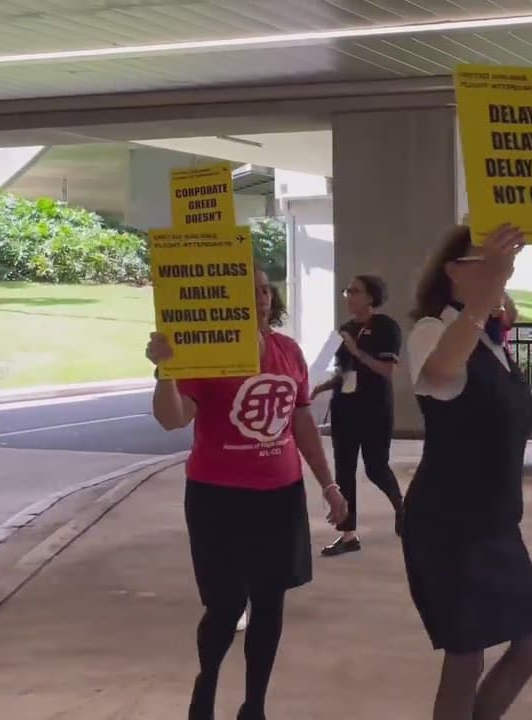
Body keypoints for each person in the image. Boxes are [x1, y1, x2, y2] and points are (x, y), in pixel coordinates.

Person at [145, 270, 347, 720]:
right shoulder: (209, 356)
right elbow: (172, 419)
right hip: (218, 498)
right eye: (246, 289)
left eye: (262, 288)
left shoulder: (287, 351)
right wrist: (164, 372)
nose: (257, 295)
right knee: (225, 604)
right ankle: (207, 684)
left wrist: (328, 484)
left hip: (279, 496)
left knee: (270, 602)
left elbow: (302, 425)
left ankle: (254, 704)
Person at [402, 224, 532, 720]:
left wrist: (487, 310)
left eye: (503, 264)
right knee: (466, 653)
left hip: (493, 519)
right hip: (449, 521)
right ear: (452, 271)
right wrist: (478, 307)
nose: (498, 274)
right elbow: (443, 376)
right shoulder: (432, 330)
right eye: (484, 263)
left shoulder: (490, 341)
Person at [311, 274, 405, 556]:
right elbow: (344, 372)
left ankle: (402, 508)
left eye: (355, 291)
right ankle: (348, 535)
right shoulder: (346, 328)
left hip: (375, 408)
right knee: (344, 471)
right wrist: (321, 387)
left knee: (376, 467)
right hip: (345, 409)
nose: (349, 296)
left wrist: (357, 350)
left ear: (371, 297)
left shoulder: (386, 327)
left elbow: (387, 370)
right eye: (347, 291)